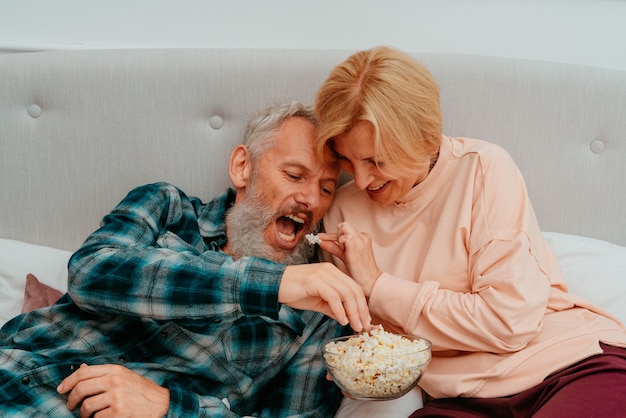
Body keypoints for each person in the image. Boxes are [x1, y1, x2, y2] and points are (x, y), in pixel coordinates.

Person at [0, 102, 371, 418]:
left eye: (325, 188)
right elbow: (89, 274)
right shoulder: (166, 207)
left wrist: (169, 405)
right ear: (243, 166)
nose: (310, 199)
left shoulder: (317, 319)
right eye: (294, 175)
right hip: (17, 375)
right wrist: (270, 284)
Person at [313, 46, 626, 418]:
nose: (361, 180)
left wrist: (378, 286)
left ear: (422, 137)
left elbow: (510, 322)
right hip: (455, 400)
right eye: (347, 159)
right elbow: (366, 342)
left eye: (377, 161)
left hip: (565, 363)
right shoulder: (341, 210)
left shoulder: (482, 170)